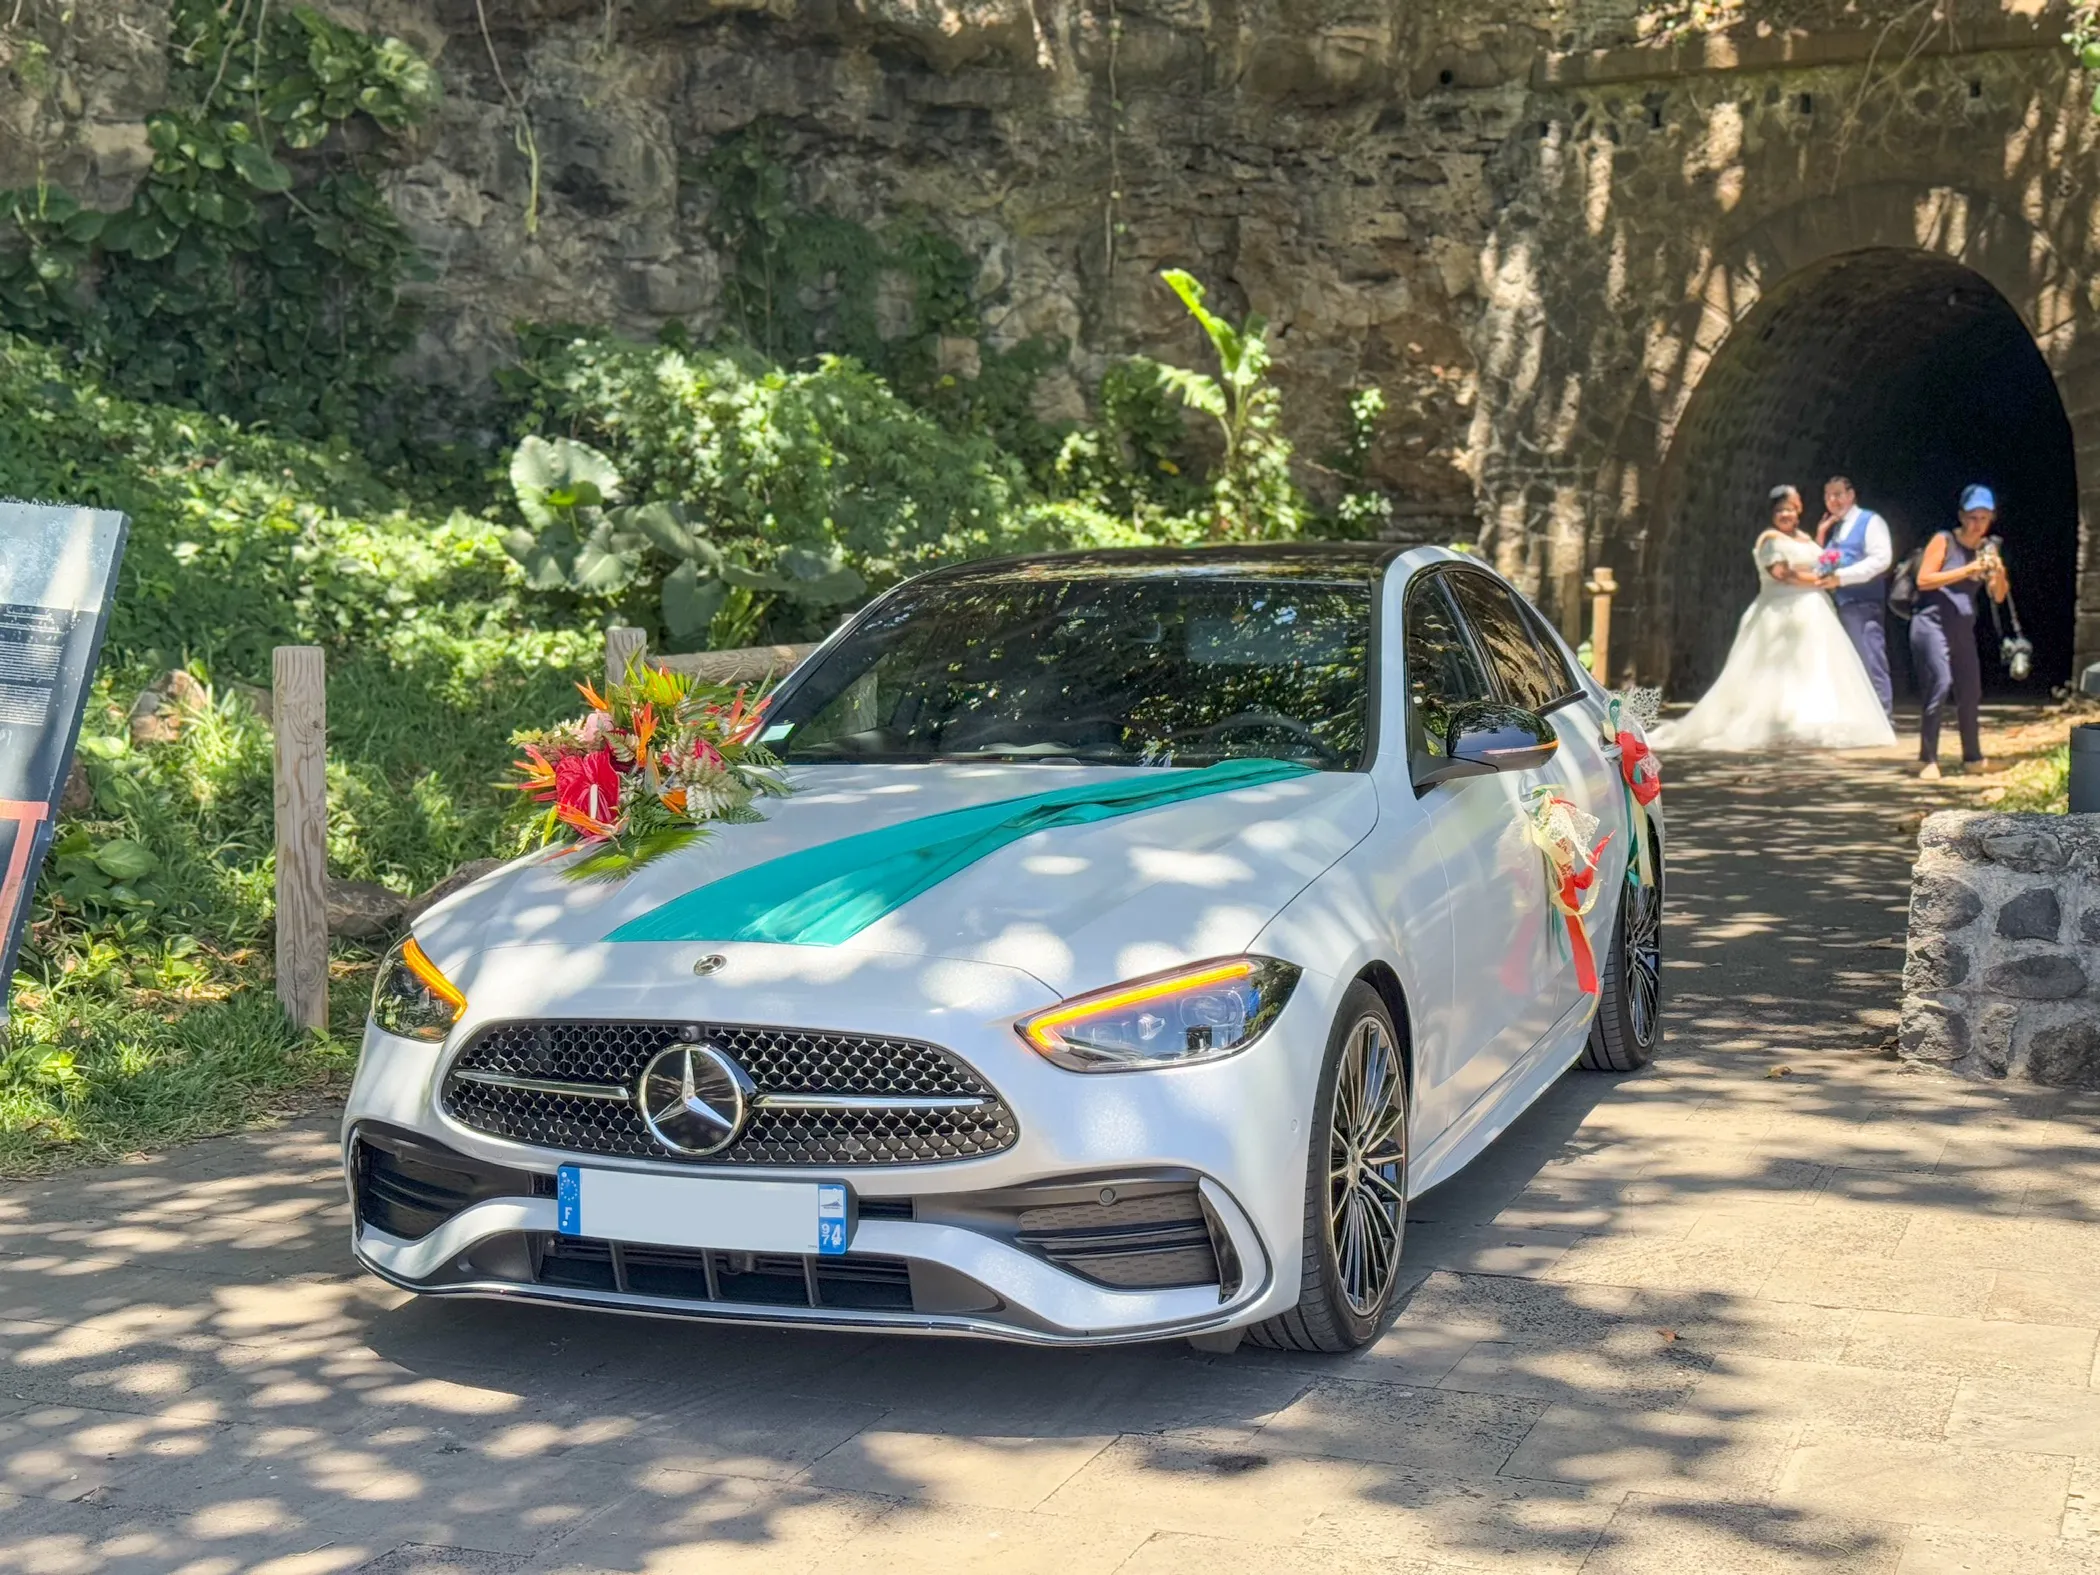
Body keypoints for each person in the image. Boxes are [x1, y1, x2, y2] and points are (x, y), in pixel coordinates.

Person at [1651, 486, 1897, 751]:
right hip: (1780, 611)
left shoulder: (1804, 537)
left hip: (1813, 612)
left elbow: (1817, 558)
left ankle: (1808, 720)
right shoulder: (1769, 540)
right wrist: (1820, 582)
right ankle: (1772, 722)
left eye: (1790, 509)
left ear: (1799, 510)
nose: (1786, 515)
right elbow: (1782, 573)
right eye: (1780, 510)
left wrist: (1822, 537)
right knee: (1774, 669)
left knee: (1814, 667)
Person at [1908, 484, 2010, 780]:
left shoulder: (1987, 548)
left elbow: (1999, 596)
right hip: (1931, 623)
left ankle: (1973, 758)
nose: (1977, 525)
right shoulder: (1944, 541)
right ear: (1961, 516)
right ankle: (1928, 758)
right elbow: (1924, 580)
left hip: (1962, 628)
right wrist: (1967, 570)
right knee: (1940, 682)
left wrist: (1998, 571)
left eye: (1984, 518)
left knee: (1970, 690)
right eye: (1972, 517)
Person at [1815, 476, 1895, 722]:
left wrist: (1842, 577)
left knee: (1871, 657)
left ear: (1851, 495)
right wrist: (1820, 535)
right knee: (1849, 664)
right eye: (1828, 496)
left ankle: (1883, 716)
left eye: (1838, 494)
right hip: (1840, 605)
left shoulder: (1870, 521)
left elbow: (1881, 559)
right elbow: (1820, 562)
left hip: (1863, 603)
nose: (1833, 500)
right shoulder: (1836, 530)